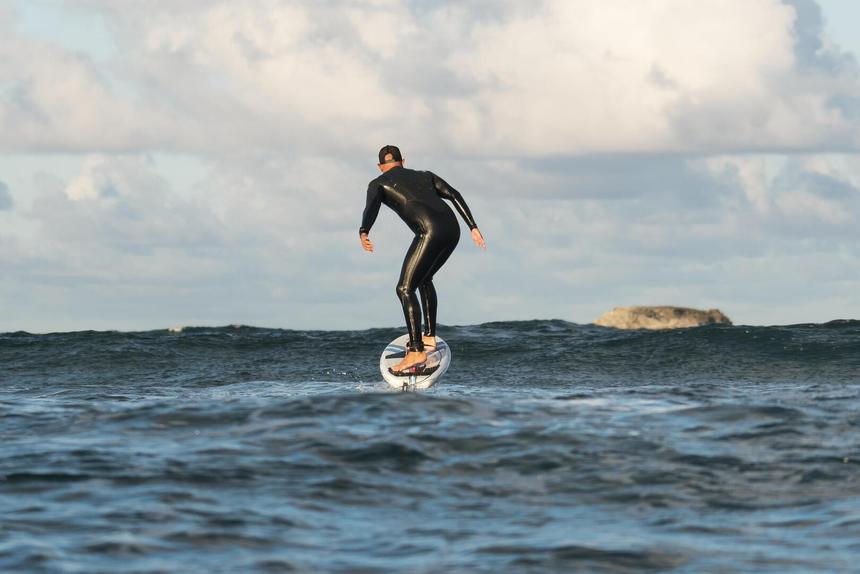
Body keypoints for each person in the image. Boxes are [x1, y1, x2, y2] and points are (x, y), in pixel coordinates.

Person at [360, 145, 486, 375]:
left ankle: (417, 351)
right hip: (452, 229)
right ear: (403, 161)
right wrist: (473, 227)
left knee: (404, 288)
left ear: (380, 166)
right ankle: (429, 337)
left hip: (429, 231)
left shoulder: (377, 183)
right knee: (424, 278)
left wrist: (363, 231)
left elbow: (371, 208)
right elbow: (454, 194)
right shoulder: (426, 175)